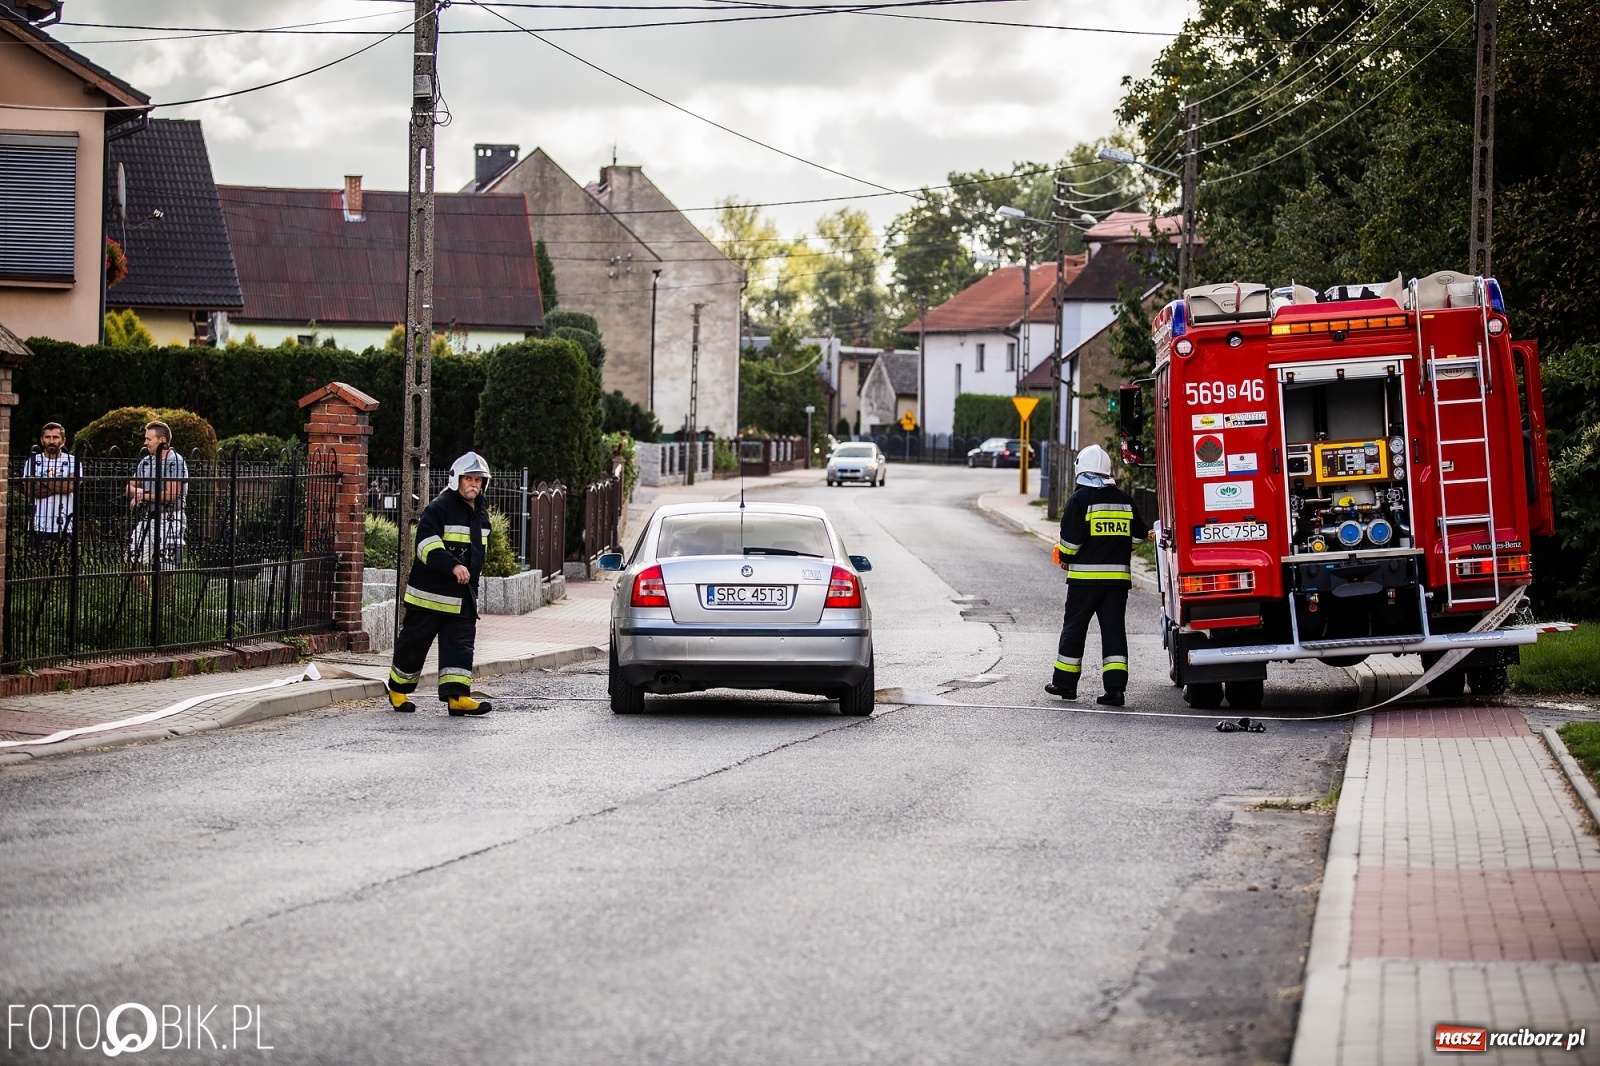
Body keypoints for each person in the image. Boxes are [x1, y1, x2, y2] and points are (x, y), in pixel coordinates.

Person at [386, 452, 495, 717]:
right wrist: (453, 565)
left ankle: (457, 697)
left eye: (478, 480)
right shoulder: (439, 507)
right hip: (428, 597)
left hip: (462, 599)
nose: (473, 485)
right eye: (469, 478)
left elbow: (477, 554)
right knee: (413, 645)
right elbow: (425, 546)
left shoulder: (481, 513)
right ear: (457, 479)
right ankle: (397, 690)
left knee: (460, 648)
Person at [1046, 444, 1150, 707]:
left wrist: (1065, 556)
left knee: (1075, 629)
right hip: (1116, 583)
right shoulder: (1125, 499)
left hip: (1084, 583)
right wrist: (1121, 548)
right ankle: (1115, 690)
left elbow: (1070, 545)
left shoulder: (1079, 500)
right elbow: (1139, 535)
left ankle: (1065, 685)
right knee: (1114, 632)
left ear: (1081, 470)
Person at [126, 421, 188, 569]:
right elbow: (129, 487)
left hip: (171, 519)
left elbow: (170, 495)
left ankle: (164, 593)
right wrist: (139, 492)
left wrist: (143, 496)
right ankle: (149, 594)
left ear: (162, 440)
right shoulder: (146, 462)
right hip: (148, 517)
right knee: (131, 564)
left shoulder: (175, 462)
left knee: (167, 570)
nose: (145, 443)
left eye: (149, 439)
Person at [23, 423, 79, 550]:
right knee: (36, 565)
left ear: (63, 440)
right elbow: (31, 490)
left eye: (55, 437)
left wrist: (41, 481)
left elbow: (70, 486)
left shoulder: (73, 461)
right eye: (48, 437)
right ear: (41, 440)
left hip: (65, 523)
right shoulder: (32, 462)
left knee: (64, 565)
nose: (52, 441)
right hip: (38, 523)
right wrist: (60, 484)